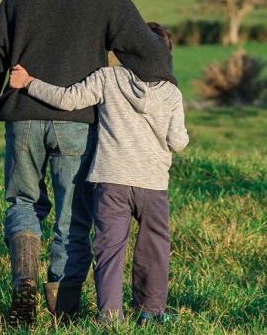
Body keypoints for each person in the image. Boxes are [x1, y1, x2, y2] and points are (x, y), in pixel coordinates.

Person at [0, 0, 176, 328]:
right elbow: (151, 57)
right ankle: (64, 310)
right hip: (77, 124)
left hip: (23, 118)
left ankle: (24, 279)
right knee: (71, 218)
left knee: (23, 203)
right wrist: (161, 93)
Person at [9, 22, 188, 324]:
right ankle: (151, 311)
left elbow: (68, 100)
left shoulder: (109, 78)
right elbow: (178, 141)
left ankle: (110, 317)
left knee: (109, 249)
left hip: (111, 180)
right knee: (155, 246)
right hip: (152, 184)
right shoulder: (171, 92)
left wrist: (29, 82)